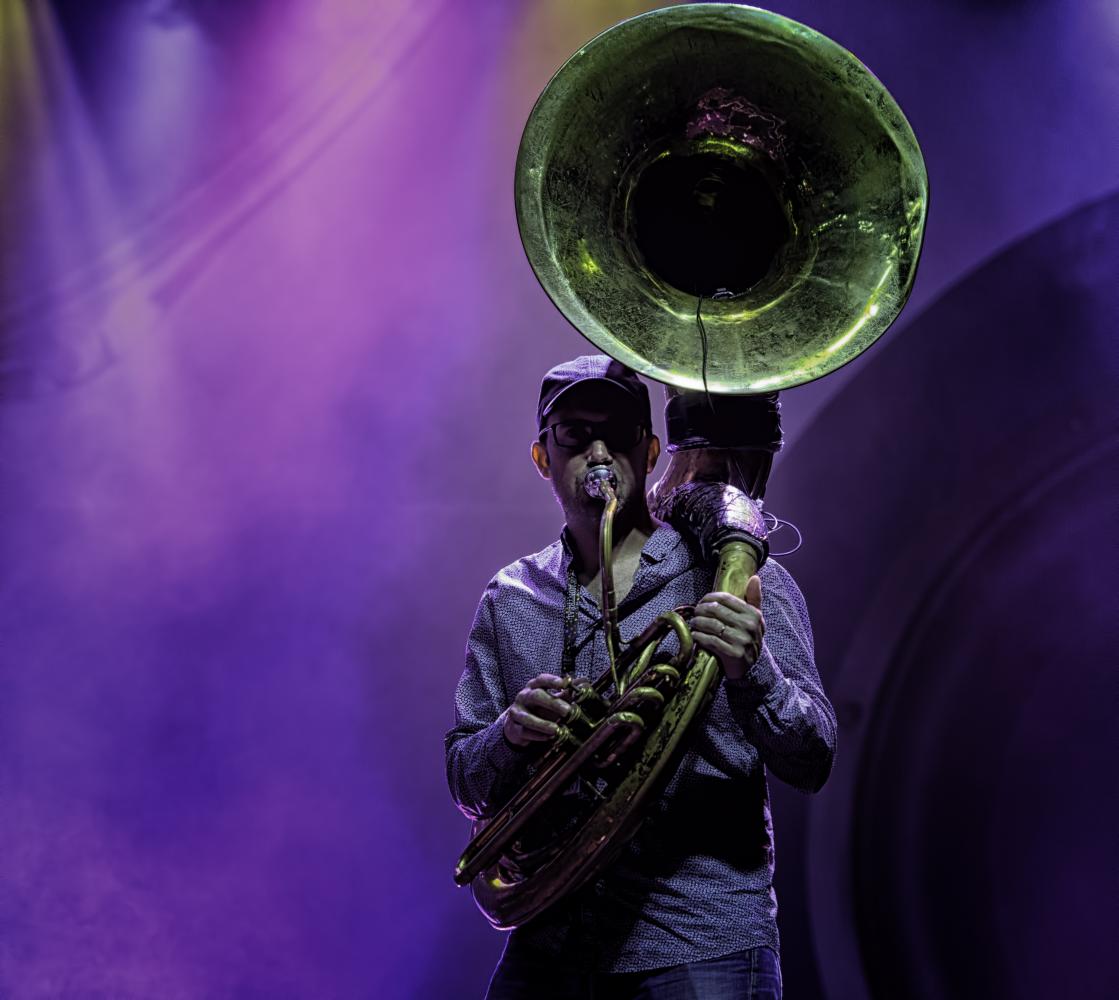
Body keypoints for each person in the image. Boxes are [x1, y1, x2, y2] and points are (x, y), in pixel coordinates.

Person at [446, 355, 836, 999]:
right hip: (552, 944)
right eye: (573, 436)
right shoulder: (510, 597)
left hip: (697, 943)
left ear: (651, 451)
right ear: (543, 458)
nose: (598, 453)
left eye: (618, 433)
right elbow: (465, 778)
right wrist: (511, 735)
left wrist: (752, 673)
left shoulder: (732, 575)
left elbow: (815, 756)